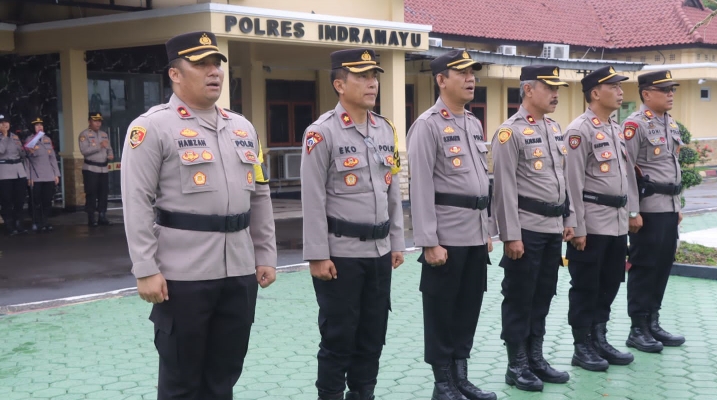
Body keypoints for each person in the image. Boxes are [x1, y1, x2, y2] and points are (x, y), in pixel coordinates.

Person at [120, 31, 278, 400]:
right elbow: (137, 201)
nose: (214, 72)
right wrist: (145, 268)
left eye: (217, 64)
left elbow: (260, 194)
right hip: (183, 275)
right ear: (175, 74)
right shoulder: (152, 127)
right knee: (181, 381)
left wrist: (265, 252)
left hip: (238, 271)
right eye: (201, 64)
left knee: (224, 376)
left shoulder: (243, 128)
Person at [300, 48, 405, 400]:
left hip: (378, 251)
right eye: (362, 76)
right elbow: (312, 198)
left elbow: (392, 190)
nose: (372, 83)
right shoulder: (322, 133)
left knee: (373, 333)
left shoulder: (384, 130)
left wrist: (397, 241)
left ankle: (363, 394)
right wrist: (317, 254)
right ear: (339, 85)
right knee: (339, 335)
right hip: (340, 254)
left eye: (374, 76)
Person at [407, 49, 496, 400]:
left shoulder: (473, 124)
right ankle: (443, 382)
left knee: (468, 307)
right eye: (461, 72)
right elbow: (421, 186)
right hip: (446, 236)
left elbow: (482, 182)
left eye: (472, 72)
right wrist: (429, 240)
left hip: (474, 233)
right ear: (441, 80)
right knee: (442, 310)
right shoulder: (427, 125)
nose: (471, 78)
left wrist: (487, 229)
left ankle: (461, 376)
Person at [491, 65, 573, 392]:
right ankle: (517, 364)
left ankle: (536, 357)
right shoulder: (509, 132)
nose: (555, 94)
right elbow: (504, 189)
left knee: (543, 294)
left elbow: (561, 179)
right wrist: (511, 235)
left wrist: (567, 219)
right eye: (548, 87)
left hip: (552, 227)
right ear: (528, 90)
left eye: (557, 88)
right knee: (519, 297)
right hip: (526, 230)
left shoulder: (553, 128)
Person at [563, 66, 637, 372]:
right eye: (614, 87)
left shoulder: (615, 128)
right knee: (586, 286)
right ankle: (582, 346)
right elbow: (572, 182)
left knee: (609, 283)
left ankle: (599, 338)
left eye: (621, 86)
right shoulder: (579, 130)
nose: (621, 91)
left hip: (617, 222)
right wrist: (577, 226)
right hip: (591, 224)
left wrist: (632, 212)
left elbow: (627, 176)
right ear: (595, 93)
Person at [623, 70, 685, 353]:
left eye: (672, 89)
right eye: (665, 90)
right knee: (645, 266)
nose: (671, 93)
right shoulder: (635, 125)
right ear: (646, 94)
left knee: (662, 266)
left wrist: (679, 204)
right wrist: (632, 211)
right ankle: (637, 328)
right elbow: (626, 171)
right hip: (648, 210)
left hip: (669, 207)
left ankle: (653, 322)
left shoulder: (670, 123)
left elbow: (674, 165)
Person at [79, 111, 114, 227]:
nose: (98, 123)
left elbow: (109, 147)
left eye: (99, 121)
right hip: (91, 168)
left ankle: (102, 215)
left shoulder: (104, 134)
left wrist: (110, 154)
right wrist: (99, 146)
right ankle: (91, 217)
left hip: (103, 168)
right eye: (95, 121)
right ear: (89, 121)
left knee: (103, 193)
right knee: (91, 193)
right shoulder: (84, 135)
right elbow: (84, 151)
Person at [26, 117, 60, 233]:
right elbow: (27, 160)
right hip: (36, 176)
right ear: (33, 128)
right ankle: (36, 221)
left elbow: (53, 158)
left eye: (41, 125)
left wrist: (56, 174)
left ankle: (45, 221)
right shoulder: (29, 141)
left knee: (47, 200)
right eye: (37, 125)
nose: (40, 127)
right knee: (36, 201)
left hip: (48, 175)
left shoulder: (47, 140)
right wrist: (28, 177)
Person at [0, 114, 29, 235]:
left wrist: (26, 150)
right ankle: (9, 225)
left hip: (18, 171)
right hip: (5, 172)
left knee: (19, 199)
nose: (5, 125)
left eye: (6, 122)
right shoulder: (4, 137)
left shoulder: (15, 137)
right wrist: (5, 136)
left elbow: (21, 154)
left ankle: (19, 224)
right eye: (2, 123)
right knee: (7, 200)